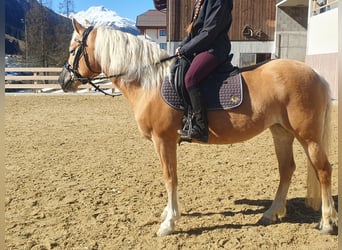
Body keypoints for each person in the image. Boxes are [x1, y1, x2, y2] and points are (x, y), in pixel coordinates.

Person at [175, 0, 234, 143]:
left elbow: (210, 31)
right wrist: (182, 46)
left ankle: (201, 128)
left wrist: (186, 49)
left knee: (191, 78)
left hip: (215, 48)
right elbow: (193, 31)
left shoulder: (220, 1)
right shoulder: (200, 2)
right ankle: (188, 116)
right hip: (202, 47)